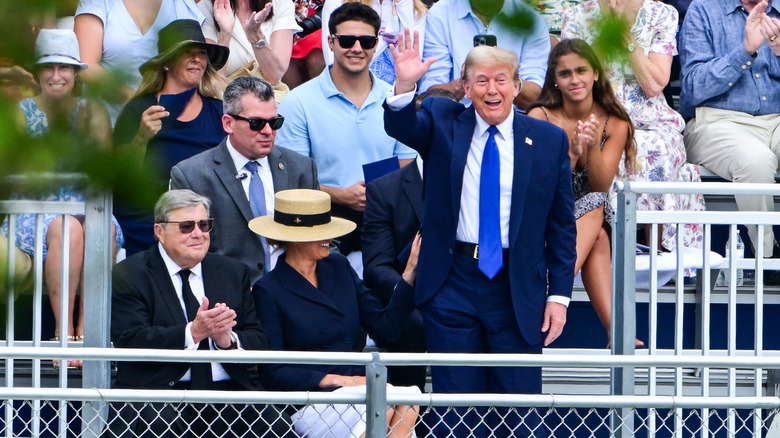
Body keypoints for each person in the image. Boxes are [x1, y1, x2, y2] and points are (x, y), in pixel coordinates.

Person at [384, 33, 576, 436]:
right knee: (457, 415)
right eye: (482, 81)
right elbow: (401, 125)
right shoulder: (440, 119)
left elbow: (561, 225)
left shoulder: (548, 139)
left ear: (517, 86)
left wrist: (558, 295)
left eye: (501, 79)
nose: (493, 89)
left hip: (516, 286)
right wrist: (404, 85)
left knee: (521, 416)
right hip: (452, 281)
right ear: (466, 87)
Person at [110, 189, 293, 438]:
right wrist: (193, 333)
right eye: (186, 226)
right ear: (159, 232)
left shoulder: (232, 271)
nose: (198, 234)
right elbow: (130, 340)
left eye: (204, 225)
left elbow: (259, 338)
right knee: (157, 423)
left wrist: (227, 341)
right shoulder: (131, 274)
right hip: (160, 393)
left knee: (276, 424)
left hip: (227, 394)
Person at [250, 189, 421, 437]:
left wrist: (409, 275)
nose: (329, 238)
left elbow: (386, 327)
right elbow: (274, 371)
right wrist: (334, 379)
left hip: (362, 389)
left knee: (409, 400)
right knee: (383, 406)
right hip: (312, 400)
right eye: (320, 232)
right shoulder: (269, 289)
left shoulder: (339, 267)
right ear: (294, 238)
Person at [1, 29, 123, 364]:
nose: (56, 75)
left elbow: (103, 173)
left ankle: (89, 331)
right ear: (38, 74)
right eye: (48, 68)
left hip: (87, 205)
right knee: (67, 227)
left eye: (64, 68)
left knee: (106, 229)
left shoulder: (93, 112)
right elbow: (22, 178)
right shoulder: (19, 112)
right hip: (33, 209)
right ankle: (63, 333)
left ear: (76, 73)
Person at [561, 0, 706, 252]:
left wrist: (627, 38)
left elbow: (654, 85)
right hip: (596, 116)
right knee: (593, 148)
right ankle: (601, 252)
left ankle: (656, 258)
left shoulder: (662, 13)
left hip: (651, 122)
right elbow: (575, 75)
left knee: (656, 149)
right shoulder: (576, 15)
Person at [276, 2, 417, 257]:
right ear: (330, 42)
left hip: (387, 224)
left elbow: (408, 165)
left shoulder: (393, 98)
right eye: (347, 40)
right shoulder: (298, 102)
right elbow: (289, 181)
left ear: (376, 44)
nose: (356, 48)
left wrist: (379, 194)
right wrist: (340, 195)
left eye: (366, 41)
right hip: (322, 226)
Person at [528, 38, 636, 346]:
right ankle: (617, 329)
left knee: (595, 203)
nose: (574, 79)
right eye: (565, 74)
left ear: (596, 74)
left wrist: (590, 146)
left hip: (592, 209)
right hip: (546, 211)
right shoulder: (540, 116)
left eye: (581, 70)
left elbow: (600, 184)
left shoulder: (614, 122)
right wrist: (572, 154)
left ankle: (552, 290)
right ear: (555, 80)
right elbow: (543, 186)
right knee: (598, 235)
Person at [171, 76, 319, 284]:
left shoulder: (301, 168)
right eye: (256, 123)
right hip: (227, 297)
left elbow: (321, 237)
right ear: (228, 123)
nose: (268, 131)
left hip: (294, 291)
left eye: (274, 122)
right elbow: (183, 253)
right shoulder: (192, 176)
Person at [679, 0, 780, 280]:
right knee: (755, 161)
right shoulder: (704, 9)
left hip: (777, 119)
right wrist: (745, 50)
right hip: (718, 120)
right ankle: (767, 258)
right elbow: (693, 86)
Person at [113, 19, 228, 255]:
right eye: (187, 52)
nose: (197, 58)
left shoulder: (220, 112)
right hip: (148, 224)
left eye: (202, 53)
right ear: (166, 62)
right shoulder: (139, 110)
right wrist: (141, 138)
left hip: (207, 225)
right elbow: (120, 178)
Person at [74, 0, 206, 123]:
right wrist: (139, 103)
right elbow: (87, 66)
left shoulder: (181, 5)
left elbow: (198, 67)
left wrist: (225, 34)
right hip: (103, 123)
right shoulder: (99, 2)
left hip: (164, 125)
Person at [362, 154, 425, 390]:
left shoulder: (474, 180)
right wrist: (408, 289)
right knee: (409, 322)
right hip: (410, 299)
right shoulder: (385, 189)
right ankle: (409, 420)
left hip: (464, 294)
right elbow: (377, 267)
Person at [420, 0, 551, 110]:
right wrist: (465, 81)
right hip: (454, 121)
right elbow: (428, 97)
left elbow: (534, 98)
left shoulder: (531, 21)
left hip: (513, 122)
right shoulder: (440, 15)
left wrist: (507, 75)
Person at [320, 0, 428, 84]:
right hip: (348, 89)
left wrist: (404, 7)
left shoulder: (415, 9)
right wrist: (387, 35)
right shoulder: (337, 2)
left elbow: (410, 66)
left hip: (395, 95)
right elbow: (335, 63)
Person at [198, 0, 300, 87]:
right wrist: (225, 34)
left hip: (268, 98)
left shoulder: (281, 3)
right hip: (225, 100)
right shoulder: (205, 7)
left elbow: (275, 76)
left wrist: (255, 36)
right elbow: (212, 82)